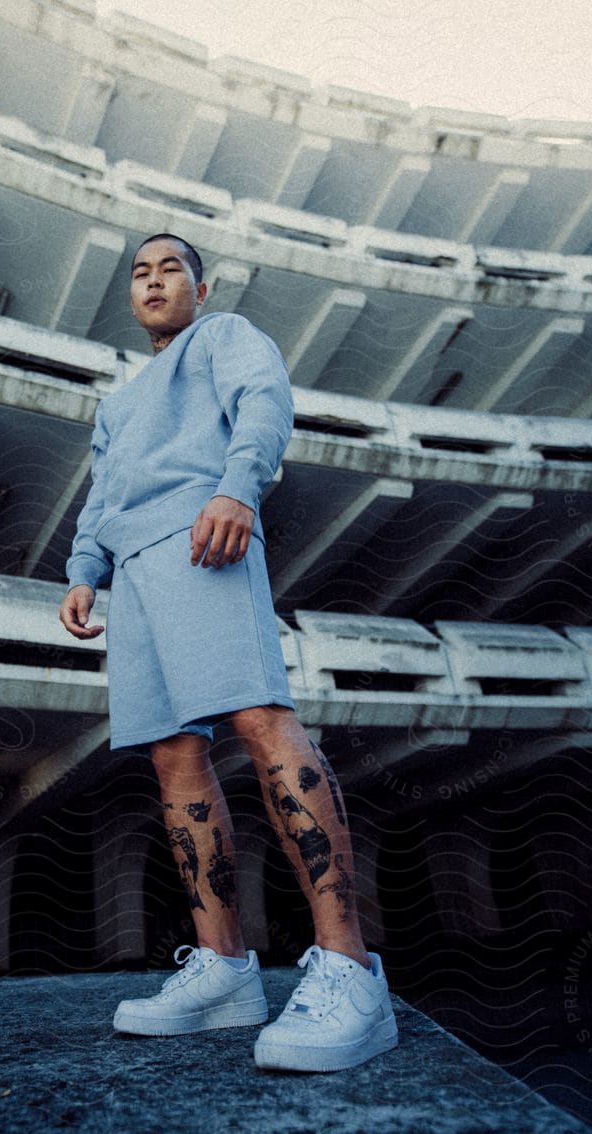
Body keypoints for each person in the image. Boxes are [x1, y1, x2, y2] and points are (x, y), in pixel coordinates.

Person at [57, 232, 397, 1073]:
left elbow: (264, 402)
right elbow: (101, 492)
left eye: (171, 268)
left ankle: (351, 967)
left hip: (202, 536)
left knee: (260, 719)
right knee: (172, 758)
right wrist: (84, 570)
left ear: (199, 290)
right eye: (140, 273)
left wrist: (237, 486)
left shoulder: (225, 337)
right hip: (130, 573)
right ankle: (224, 970)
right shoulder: (119, 402)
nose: (154, 281)